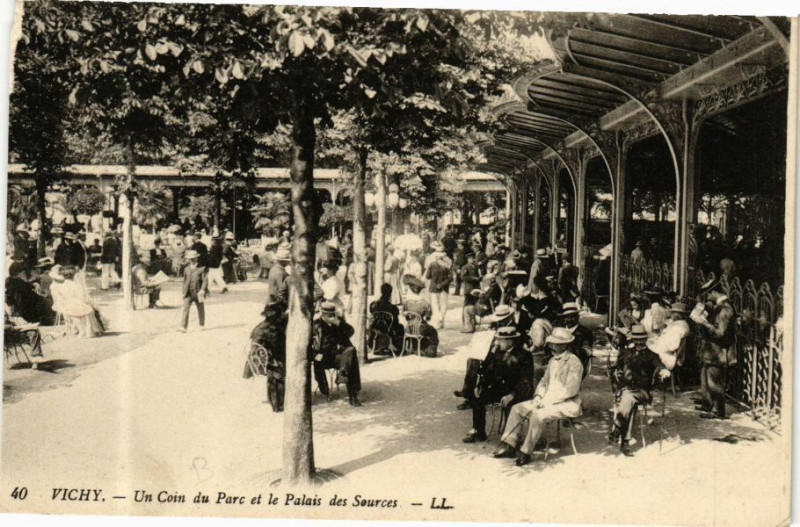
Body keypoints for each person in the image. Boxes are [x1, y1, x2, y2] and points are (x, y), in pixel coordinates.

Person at [492, 327, 584, 466]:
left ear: (564, 345)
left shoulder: (574, 362)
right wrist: (538, 396)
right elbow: (543, 381)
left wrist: (547, 401)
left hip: (566, 403)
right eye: (551, 343)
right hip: (546, 400)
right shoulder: (553, 360)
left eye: (555, 344)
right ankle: (510, 445)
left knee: (538, 415)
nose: (551, 346)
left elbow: (570, 390)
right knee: (517, 408)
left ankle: (526, 452)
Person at [462, 326, 535, 443]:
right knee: (477, 398)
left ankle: (510, 438)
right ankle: (478, 431)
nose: (497, 342)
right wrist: (480, 385)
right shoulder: (497, 353)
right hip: (501, 388)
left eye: (500, 340)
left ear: (510, 341)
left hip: (519, 391)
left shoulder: (524, 355)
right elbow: (488, 372)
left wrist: (512, 394)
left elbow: (525, 380)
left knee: (510, 404)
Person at [607, 325, 671, 456]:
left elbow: (660, 365)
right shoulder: (625, 353)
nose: (639, 342)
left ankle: (617, 429)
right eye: (636, 339)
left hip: (643, 392)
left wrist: (664, 370)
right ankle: (624, 442)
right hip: (625, 389)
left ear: (646, 339)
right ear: (632, 339)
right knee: (630, 403)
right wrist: (615, 374)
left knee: (628, 398)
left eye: (642, 339)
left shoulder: (652, 355)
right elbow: (614, 368)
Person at [692, 279, 736, 419]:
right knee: (706, 377)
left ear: (715, 292)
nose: (708, 298)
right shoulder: (720, 307)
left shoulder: (725, 309)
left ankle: (719, 411)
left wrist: (704, 323)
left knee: (714, 382)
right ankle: (708, 404)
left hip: (718, 351)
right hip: (712, 350)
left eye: (708, 294)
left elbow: (720, 333)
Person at [312, 301, 362, 406]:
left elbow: (351, 331)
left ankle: (352, 394)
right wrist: (315, 354)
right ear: (322, 314)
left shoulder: (339, 323)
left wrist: (339, 323)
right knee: (350, 360)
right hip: (323, 358)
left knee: (351, 351)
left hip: (338, 357)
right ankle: (342, 374)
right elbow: (307, 344)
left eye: (332, 314)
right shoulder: (316, 325)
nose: (331, 317)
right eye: (328, 315)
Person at [246, 301, 287, 412]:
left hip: (272, 357)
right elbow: (257, 351)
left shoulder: (272, 325)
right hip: (263, 361)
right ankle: (278, 405)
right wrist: (272, 361)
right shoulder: (265, 330)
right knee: (277, 374)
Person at [59, 266, 104, 338]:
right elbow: (83, 297)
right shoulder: (76, 285)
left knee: (89, 306)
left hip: (68, 306)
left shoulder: (62, 286)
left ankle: (79, 330)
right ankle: (92, 330)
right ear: (73, 275)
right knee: (92, 307)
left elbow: (62, 297)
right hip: (77, 305)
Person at [402, 276, 439, 357]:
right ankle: (428, 350)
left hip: (409, 328)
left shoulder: (406, 303)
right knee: (433, 331)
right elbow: (428, 318)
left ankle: (415, 347)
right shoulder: (425, 304)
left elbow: (406, 316)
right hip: (419, 328)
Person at [368, 283, 404, 355]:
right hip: (387, 328)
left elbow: (372, 314)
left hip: (376, 327)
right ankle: (396, 348)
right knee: (400, 327)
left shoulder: (375, 305)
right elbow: (395, 321)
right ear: (390, 293)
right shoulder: (393, 307)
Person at [179, 250, 208, 332]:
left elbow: (205, 280)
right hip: (188, 292)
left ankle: (201, 324)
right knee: (186, 308)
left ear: (197, 258)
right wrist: (183, 291)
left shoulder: (202, 268)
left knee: (200, 308)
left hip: (198, 292)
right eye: (189, 259)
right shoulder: (186, 269)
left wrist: (202, 290)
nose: (191, 260)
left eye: (193, 258)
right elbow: (184, 281)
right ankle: (183, 326)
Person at [426, 241, 452, 329]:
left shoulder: (431, 262)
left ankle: (437, 321)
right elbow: (450, 278)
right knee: (444, 304)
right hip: (444, 287)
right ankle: (441, 320)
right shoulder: (449, 262)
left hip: (433, 287)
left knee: (435, 304)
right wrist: (442, 284)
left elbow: (427, 276)